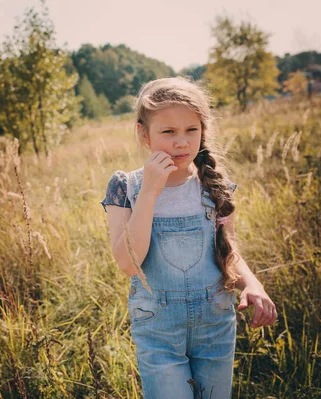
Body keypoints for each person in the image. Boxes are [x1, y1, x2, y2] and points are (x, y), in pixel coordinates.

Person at [99, 77, 277, 399]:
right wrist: (151, 190)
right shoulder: (125, 187)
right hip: (158, 332)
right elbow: (128, 264)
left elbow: (228, 252)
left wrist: (252, 284)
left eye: (190, 130)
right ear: (144, 133)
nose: (181, 142)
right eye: (168, 132)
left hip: (215, 327)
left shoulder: (214, 184)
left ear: (203, 130)